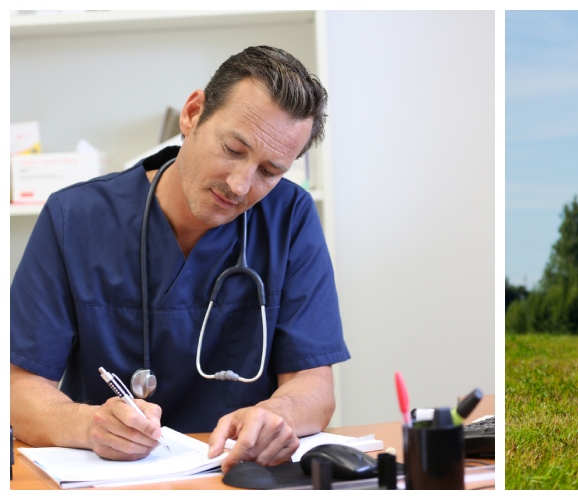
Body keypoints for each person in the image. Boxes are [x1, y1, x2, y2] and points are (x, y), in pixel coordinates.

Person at [10, 46, 350, 473]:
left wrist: (278, 414)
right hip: (109, 481)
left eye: (269, 171)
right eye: (232, 148)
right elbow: (19, 388)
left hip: (236, 478)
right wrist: (86, 423)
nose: (240, 184)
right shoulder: (74, 218)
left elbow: (314, 384)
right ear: (192, 114)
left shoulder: (290, 218)